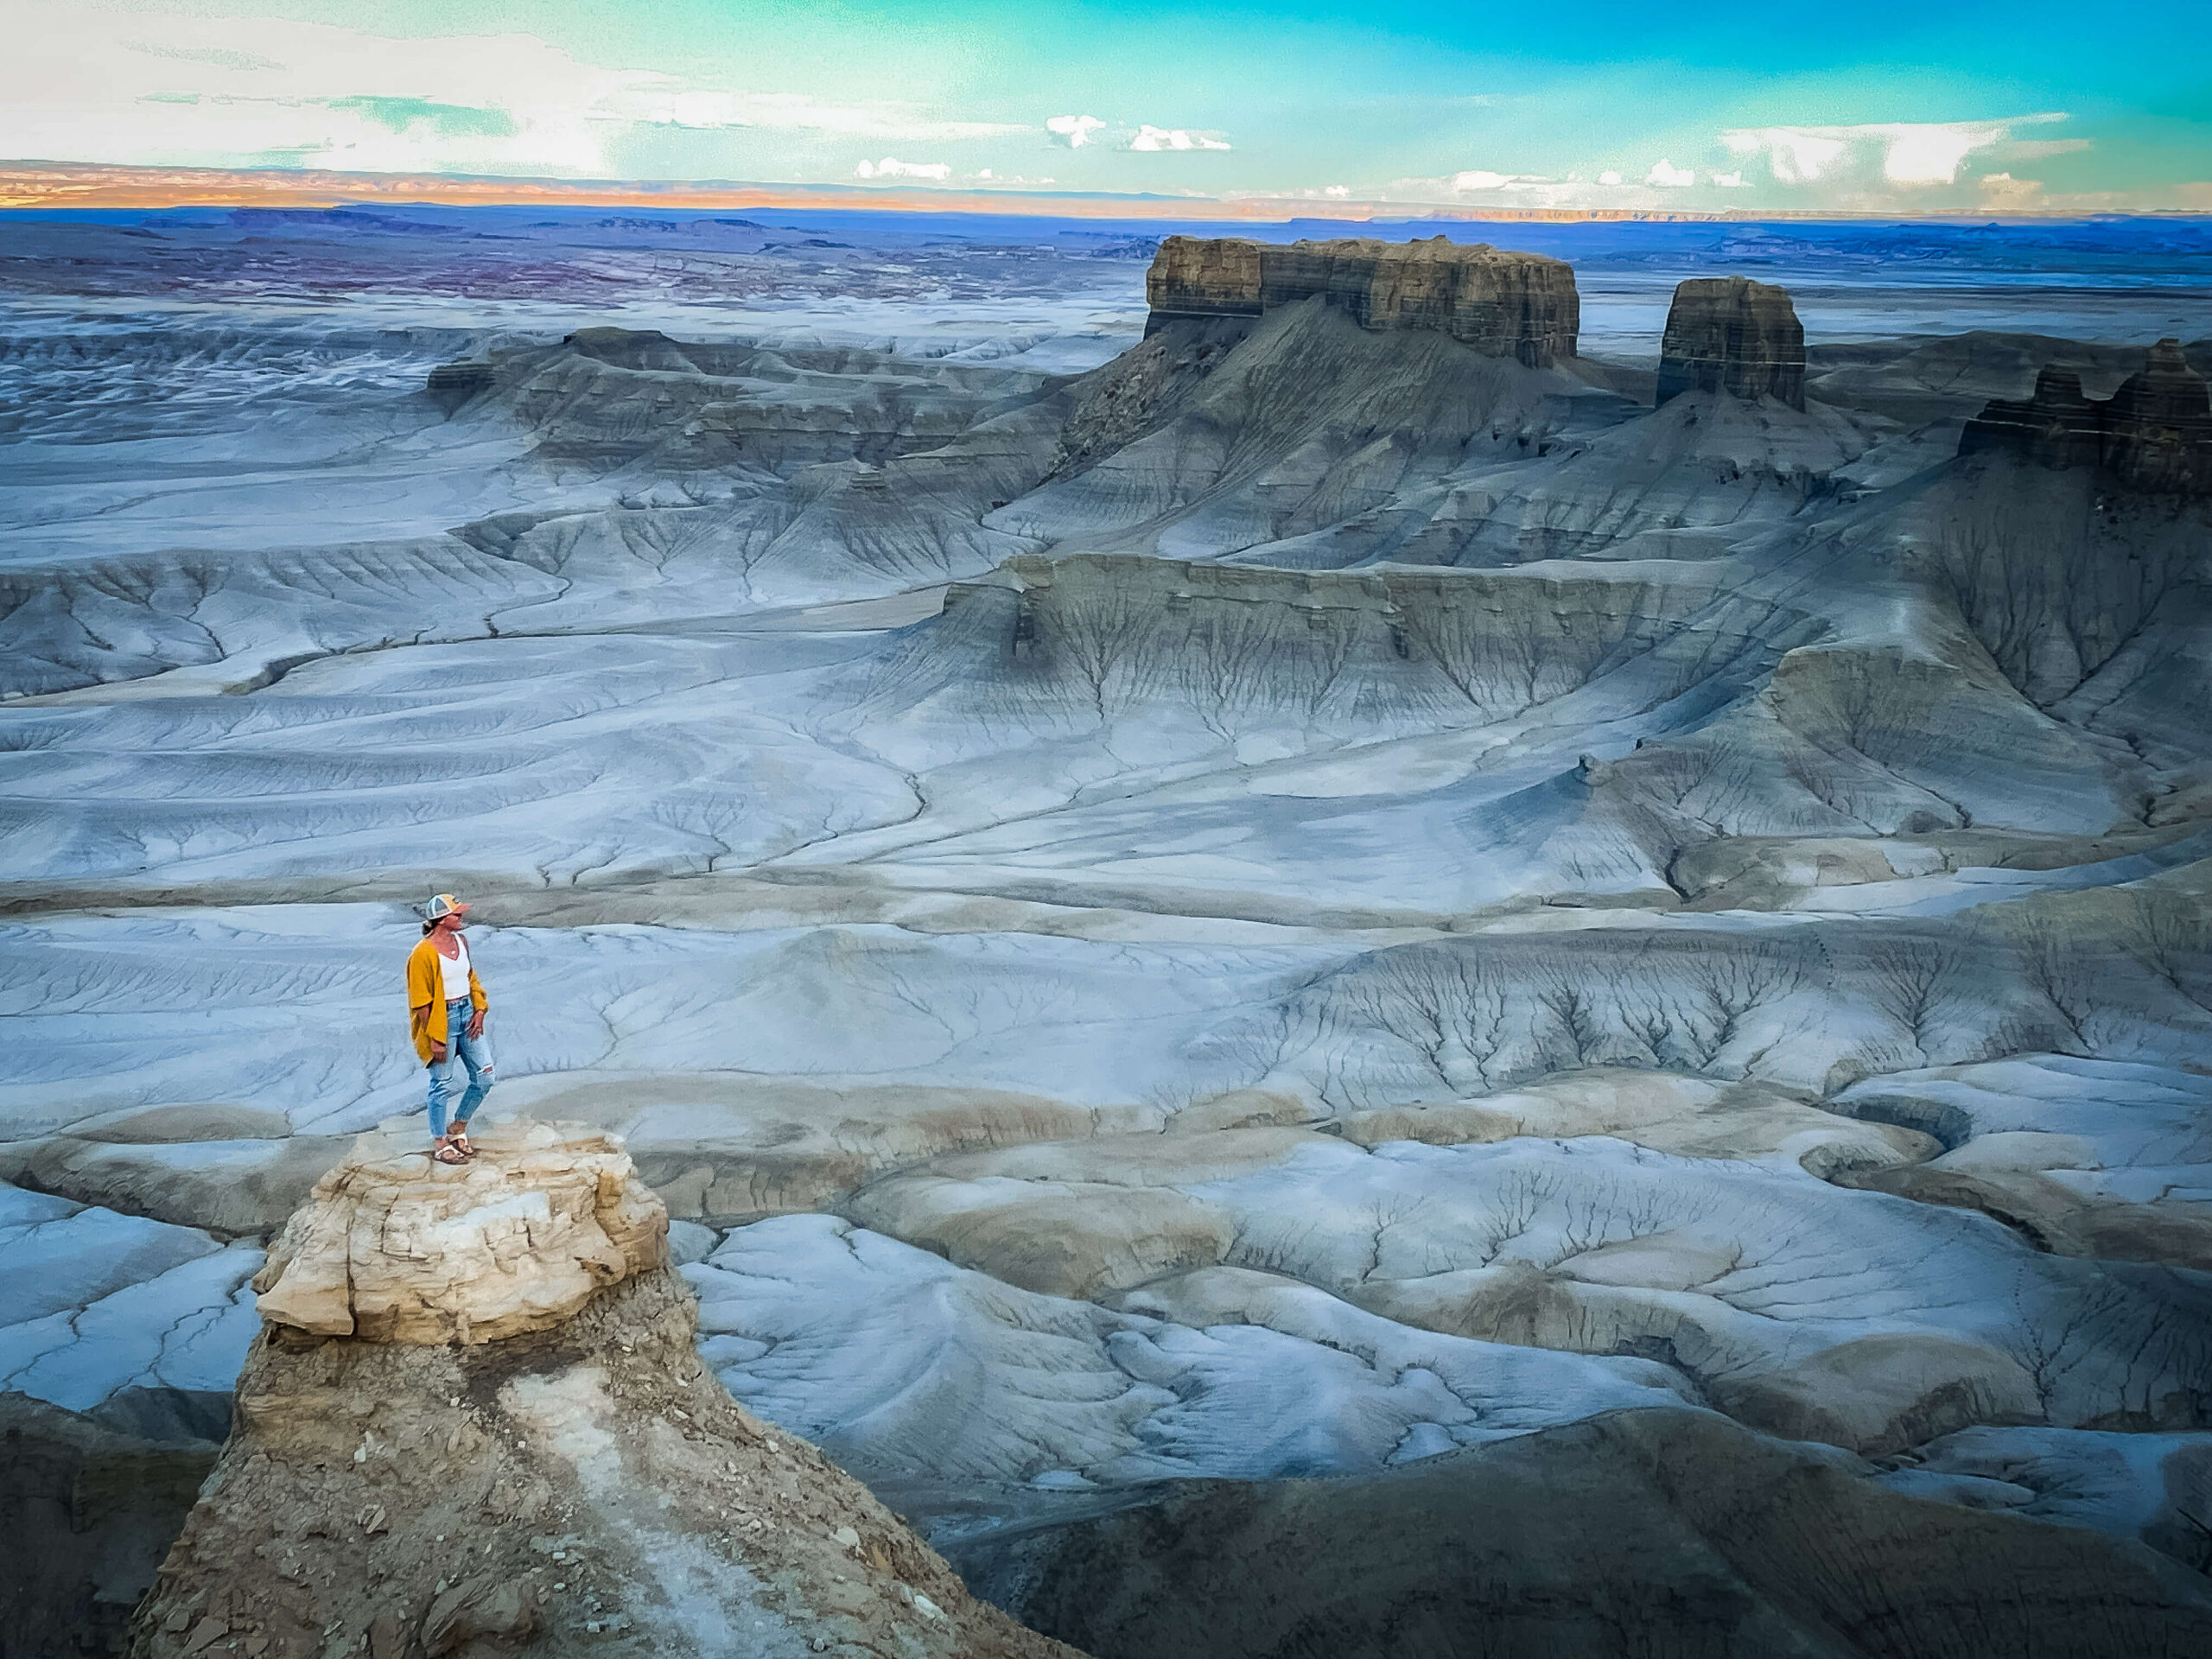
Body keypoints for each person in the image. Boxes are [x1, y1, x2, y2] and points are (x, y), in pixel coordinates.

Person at [406, 893, 493, 1166]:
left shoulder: (461, 941)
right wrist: (435, 1037)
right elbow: (421, 1000)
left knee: (485, 1077)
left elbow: (471, 977)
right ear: (441, 920)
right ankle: (440, 1141)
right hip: (442, 1020)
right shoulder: (423, 953)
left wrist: (479, 1009)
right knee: (441, 1083)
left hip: (467, 1012)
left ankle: (458, 1127)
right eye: (456, 914)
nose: (461, 917)